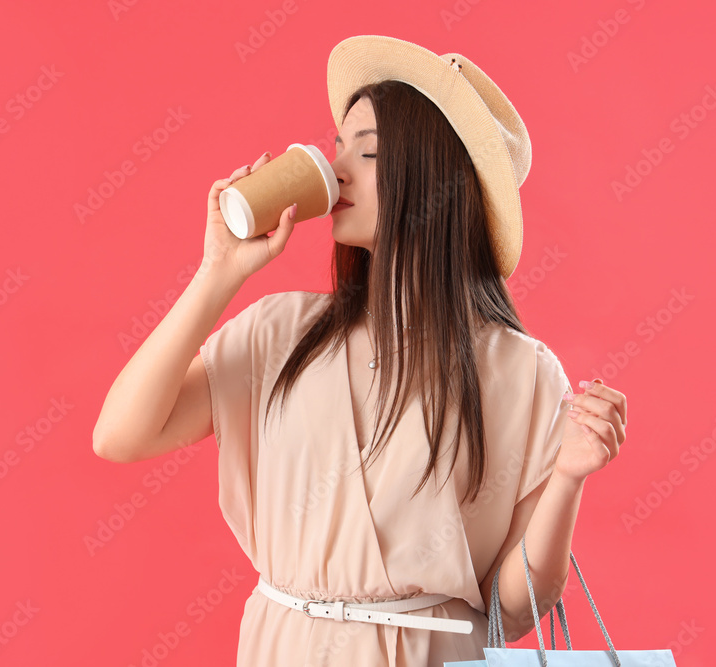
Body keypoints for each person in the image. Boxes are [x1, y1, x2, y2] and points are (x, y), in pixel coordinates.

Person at [92, 35, 628, 667]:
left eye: (369, 153)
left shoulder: (521, 372)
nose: (336, 169)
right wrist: (218, 273)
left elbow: (512, 611)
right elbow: (119, 437)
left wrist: (568, 476)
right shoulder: (279, 332)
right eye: (339, 146)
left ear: (433, 181)